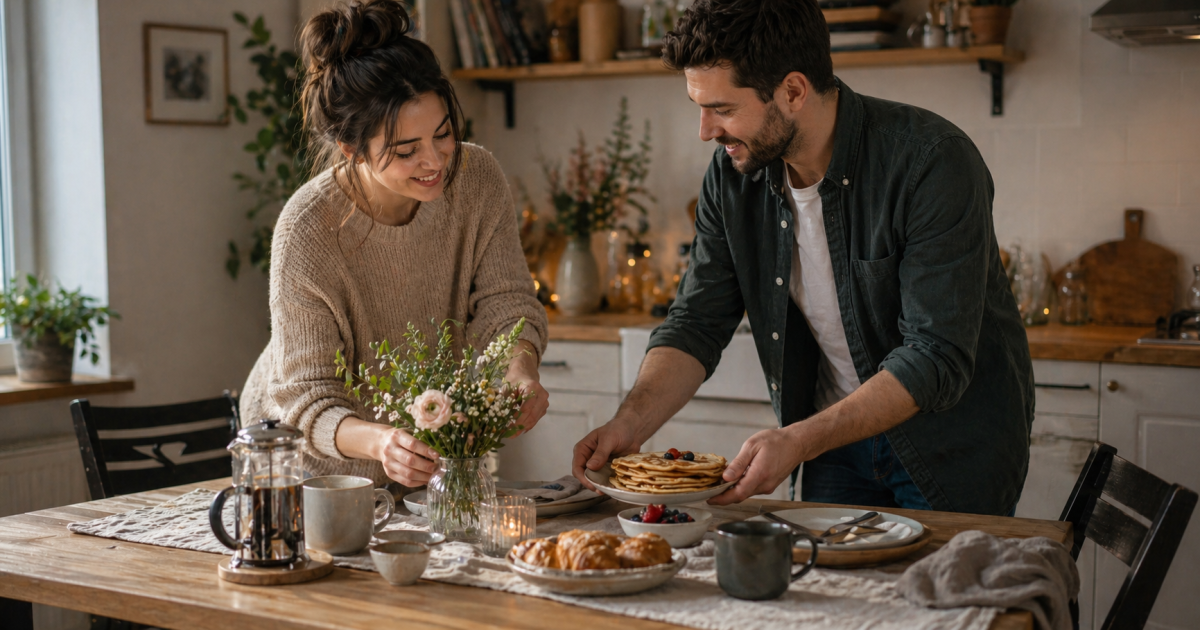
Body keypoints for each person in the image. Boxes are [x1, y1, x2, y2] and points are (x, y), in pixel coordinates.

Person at [573, 0, 1032, 516]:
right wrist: (628, 423)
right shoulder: (732, 177)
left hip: (948, 450)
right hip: (833, 443)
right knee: (824, 592)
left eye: (722, 109)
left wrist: (799, 440)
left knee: (944, 596)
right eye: (699, 107)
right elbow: (696, 322)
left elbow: (934, 355)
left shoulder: (931, 161)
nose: (705, 131)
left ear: (793, 91)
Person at [240, 0, 549, 489]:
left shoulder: (477, 177)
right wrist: (383, 443)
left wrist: (519, 370)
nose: (435, 161)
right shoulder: (307, 229)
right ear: (351, 148)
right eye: (406, 150)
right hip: (310, 478)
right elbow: (306, 400)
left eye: (443, 133)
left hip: (423, 467)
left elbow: (506, 303)